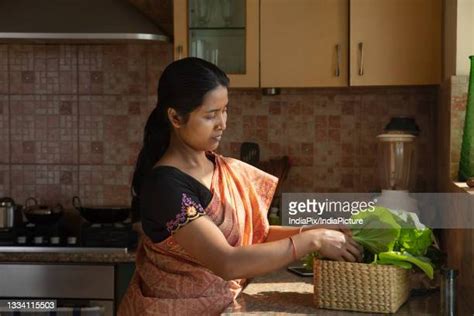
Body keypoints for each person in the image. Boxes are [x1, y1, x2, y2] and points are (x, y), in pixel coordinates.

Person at [118, 57, 363, 315]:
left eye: (225, 110)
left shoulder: (220, 167)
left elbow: (256, 236)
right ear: (176, 117)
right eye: (210, 115)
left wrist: (312, 229)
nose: (222, 123)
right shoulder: (165, 186)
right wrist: (313, 240)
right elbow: (227, 261)